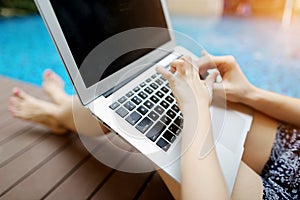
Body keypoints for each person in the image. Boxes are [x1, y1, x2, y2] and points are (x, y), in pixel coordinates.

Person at [9, 53, 299, 199]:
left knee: (152, 111)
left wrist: (196, 111)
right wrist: (251, 93)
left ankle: (60, 111)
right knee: (150, 83)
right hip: (293, 145)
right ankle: (62, 110)